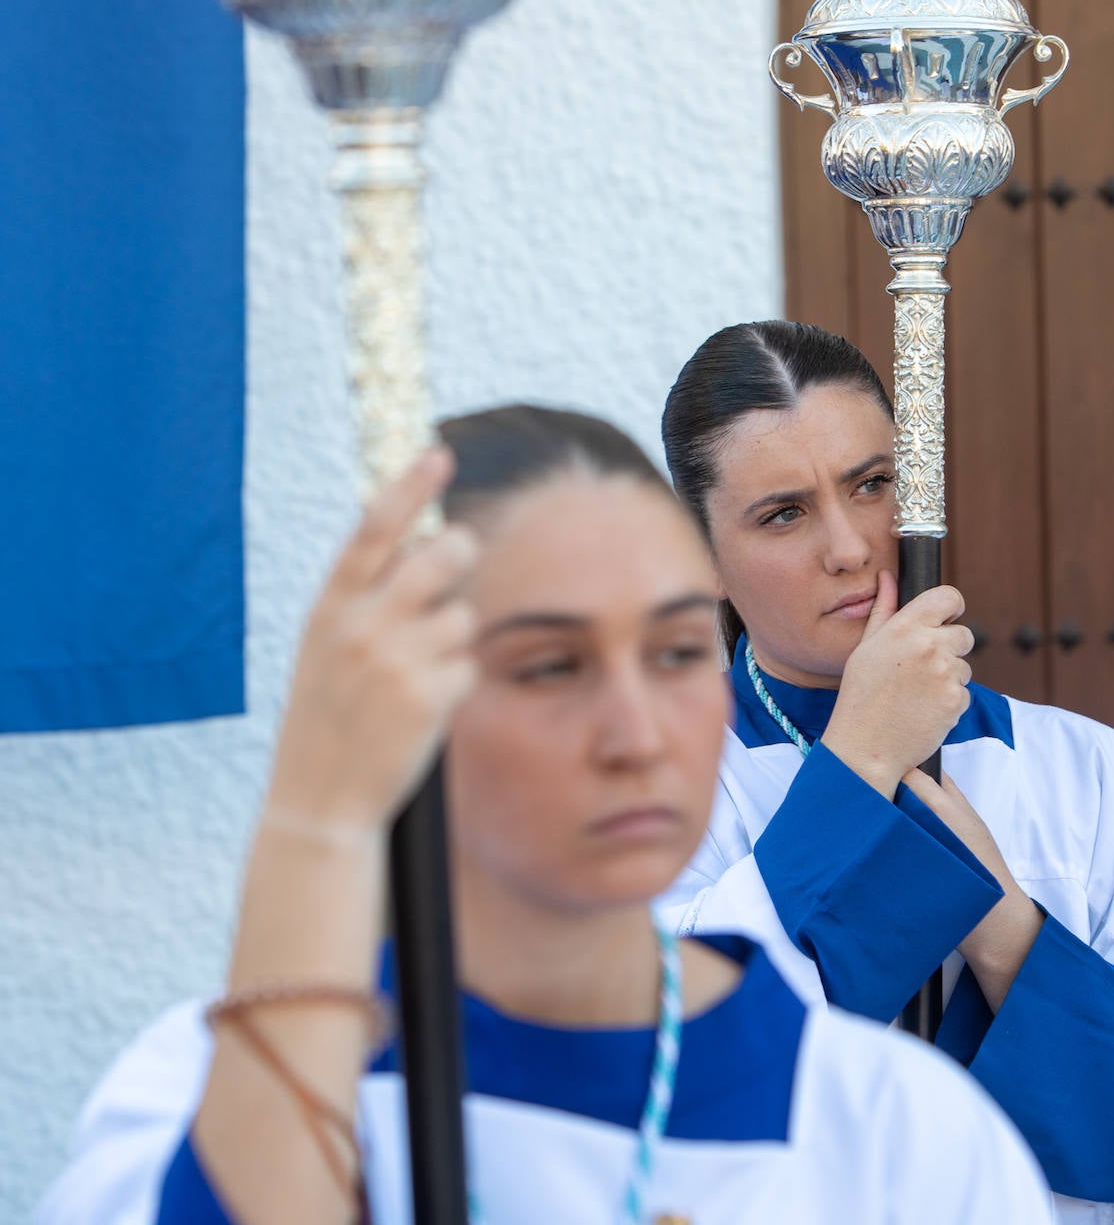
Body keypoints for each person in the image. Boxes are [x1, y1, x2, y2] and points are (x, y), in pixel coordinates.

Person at [38, 405, 1055, 1225]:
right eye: (551, 666)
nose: (635, 732)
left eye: (672, 652)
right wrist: (318, 818)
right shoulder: (216, 1084)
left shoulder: (891, 1127)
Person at [657, 321, 1114, 1225]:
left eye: (872, 485)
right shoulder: (651, 798)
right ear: (701, 559)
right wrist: (858, 765)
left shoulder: (1088, 777)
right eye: (784, 513)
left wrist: (1007, 930)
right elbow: (664, 1076)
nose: (849, 547)